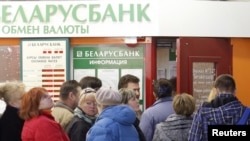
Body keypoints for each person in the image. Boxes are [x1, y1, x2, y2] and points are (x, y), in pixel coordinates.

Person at [188, 74, 250, 141]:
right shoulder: (247, 113)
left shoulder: (203, 113)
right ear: (235, 91)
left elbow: (193, 139)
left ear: (216, 91)